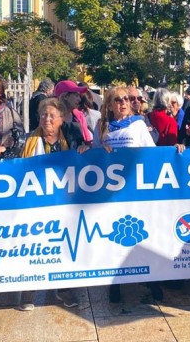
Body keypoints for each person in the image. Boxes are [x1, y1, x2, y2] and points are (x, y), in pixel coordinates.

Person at [18, 98, 88, 311]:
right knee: (34, 245)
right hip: (36, 204)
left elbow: (85, 161)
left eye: (51, 115)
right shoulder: (29, 140)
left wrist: (85, 149)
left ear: (61, 119)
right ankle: (28, 292)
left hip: (65, 203)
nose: (46, 119)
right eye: (43, 115)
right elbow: (16, 168)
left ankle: (64, 289)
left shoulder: (72, 137)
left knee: (64, 245)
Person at [92, 86, 161, 302]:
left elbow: (152, 154)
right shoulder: (102, 126)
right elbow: (94, 155)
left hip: (137, 191)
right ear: (110, 105)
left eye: (126, 99)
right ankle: (115, 285)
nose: (123, 103)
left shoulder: (139, 124)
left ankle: (153, 282)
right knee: (115, 239)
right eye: (117, 100)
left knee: (145, 238)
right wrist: (94, 151)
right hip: (112, 193)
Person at [54, 80, 93, 144]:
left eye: (79, 96)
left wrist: (86, 146)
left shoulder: (79, 116)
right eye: (76, 95)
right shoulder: (51, 116)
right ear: (65, 96)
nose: (79, 99)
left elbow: (86, 141)